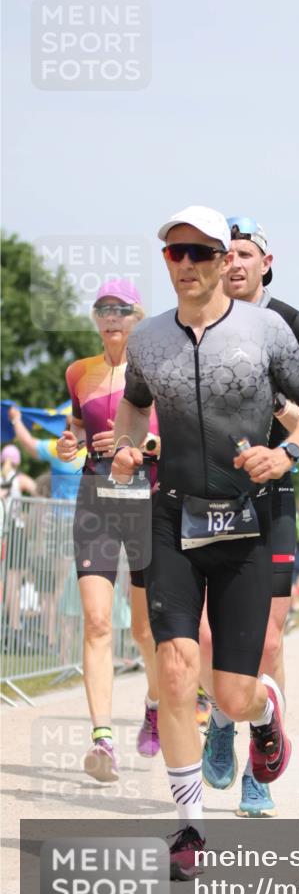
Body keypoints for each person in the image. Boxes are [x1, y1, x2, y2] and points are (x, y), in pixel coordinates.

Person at [110, 206, 299, 878]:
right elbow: (136, 403)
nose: (189, 265)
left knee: (232, 694)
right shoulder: (148, 341)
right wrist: (124, 446)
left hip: (246, 520)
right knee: (176, 668)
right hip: (174, 517)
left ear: (219, 260)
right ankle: (188, 826)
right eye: (174, 254)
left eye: (201, 253)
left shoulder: (268, 331)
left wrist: (286, 453)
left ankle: (263, 717)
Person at [199, 216, 299, 819]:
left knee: (269, 640)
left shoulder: (293, 326)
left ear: (265, 262)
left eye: (244, 252)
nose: (233, 261)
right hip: (203, 502)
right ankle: (222, 718)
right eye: (225, 253)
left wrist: (271, 415)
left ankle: (260, 769)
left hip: (270, 499)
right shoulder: (196, 323)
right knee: (205, 635)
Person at [56, 280, 161, 780]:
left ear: (137, 317)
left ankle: (156, 705)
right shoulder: (79, 371)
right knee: (98, 621)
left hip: (146, 501)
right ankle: (102, 740)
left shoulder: (157, 368)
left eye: (121, 309)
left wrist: (142, 443)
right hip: (95, 499)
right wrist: (70, 443)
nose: (112, 317)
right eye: (103, 309)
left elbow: (174, 432)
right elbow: (76, 427)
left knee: (144, 631)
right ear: (96, 320)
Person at [8, 407, 85, 500]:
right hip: (85, 512)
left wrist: (16, 419)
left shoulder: (58, 449)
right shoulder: (96, 450)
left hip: (58, 512)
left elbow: (28, 442)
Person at [1, 444, 37, 642]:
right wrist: (28, 514)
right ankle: (15, 625)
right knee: (14, 582)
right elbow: (39, 491)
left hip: (3, 531)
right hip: (15, 531)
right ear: (17, 461)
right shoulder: (19, 479)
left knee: (8, 581)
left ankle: (11, 623)